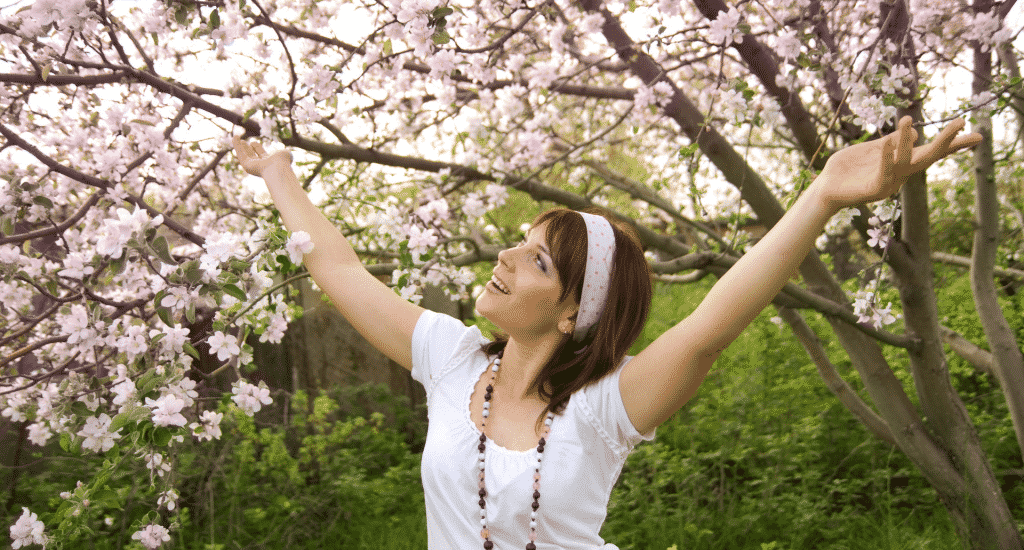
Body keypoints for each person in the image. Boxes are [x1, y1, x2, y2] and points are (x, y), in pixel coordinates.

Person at [231, 116, 981, 549]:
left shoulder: (602, 408)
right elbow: (339, 269)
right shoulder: (452, 357)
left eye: (535, 261)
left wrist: (820, 196)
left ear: (571, 314)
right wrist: (277, 175)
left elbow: (711, 324)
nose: (505, 256)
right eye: (517, 242)